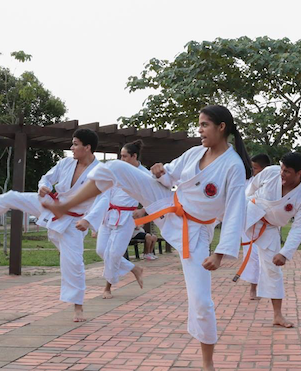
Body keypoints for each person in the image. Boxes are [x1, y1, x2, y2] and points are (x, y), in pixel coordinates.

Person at [42, 104, 250, 371]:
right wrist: (161, 171)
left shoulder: (233, 166)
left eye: (204, 125)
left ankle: (207, 364)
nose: (199, 130)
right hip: (167, 203)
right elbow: (171, 175)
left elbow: (235, 210)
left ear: (222, 127)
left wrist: (220, 252)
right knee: (115, 168)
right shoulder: (197, 152)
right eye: (199, 124)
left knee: (201, 300)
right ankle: (65, 205)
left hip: (195, 233)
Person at [0, 129, 102, 323]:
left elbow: (103, 198)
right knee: (11, 196)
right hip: (51, 204)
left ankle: (78, 307)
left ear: (87, 147)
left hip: (73, 221)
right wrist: (44, 186)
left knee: (73, 263)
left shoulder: (99, 171)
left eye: (75, 144)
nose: (72, 147)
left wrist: (89, 220)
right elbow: (47, 178)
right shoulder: (66, 162)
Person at [235, 152, 301, 326]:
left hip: (269, 228)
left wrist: (285, 253)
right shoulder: (271, 172)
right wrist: (244, 201)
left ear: (299, 173)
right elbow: (253, 185)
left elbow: (299, 228)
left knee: (273, 269)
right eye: (282, 169)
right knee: (222, 211)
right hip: (250, 210)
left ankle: (277, 315)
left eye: (287, 172)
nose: (282, 174)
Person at [82, 140, 147, 299]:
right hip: (109, 214)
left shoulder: (144, 174)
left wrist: (143, 211)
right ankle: (134, 269)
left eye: (125, 156)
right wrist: (95, 223)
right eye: (121, 156)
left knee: (114, 253)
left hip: (127, 217)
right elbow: (104, 195)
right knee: (101, 250)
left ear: (134, 156)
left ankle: (107, 288)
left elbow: (153, 198)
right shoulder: (116, 171)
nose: (122, 159)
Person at [238, 153, 270, 300]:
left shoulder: (272, 184)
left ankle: (266, 287)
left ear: (265, 169)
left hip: (266, 224)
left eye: (256, 168)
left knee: (266, 257)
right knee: (252, 255)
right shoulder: (249, 182)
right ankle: (253, 288)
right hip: (248, 223)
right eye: (253, 168)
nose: (254, 171)